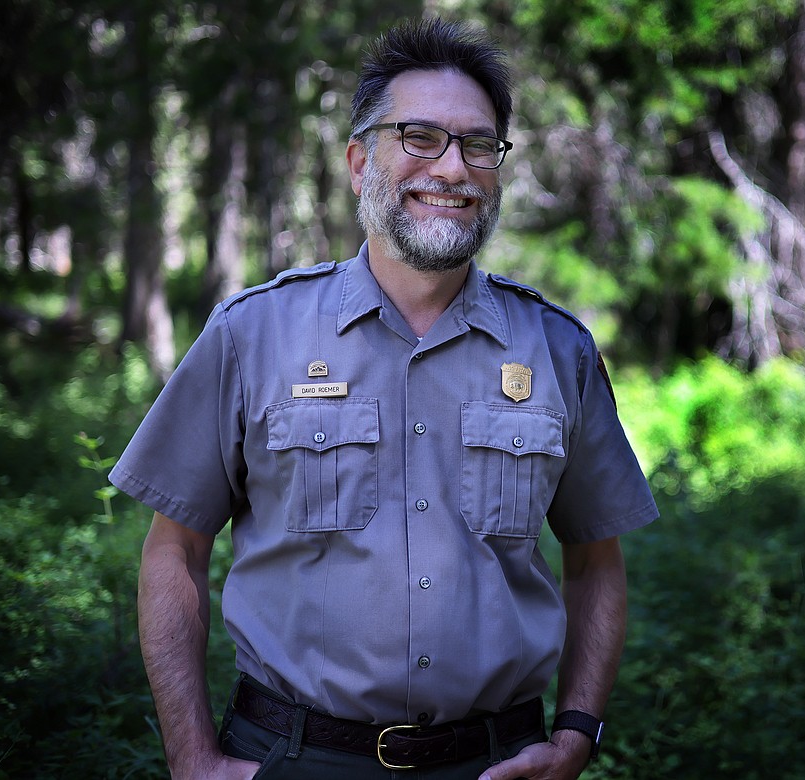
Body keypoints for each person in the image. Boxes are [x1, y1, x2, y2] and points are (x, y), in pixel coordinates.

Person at [111, 17, 657, 780]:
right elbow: (175, 551)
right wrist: (192, 758)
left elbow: (597, 560)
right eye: (420, 137)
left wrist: (576, 734)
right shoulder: (252, 334)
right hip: (293, 759)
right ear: (360, 158)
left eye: (477, 144)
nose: (452, 168)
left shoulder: (556, 348)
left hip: (496, 764)